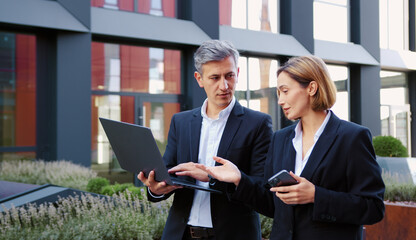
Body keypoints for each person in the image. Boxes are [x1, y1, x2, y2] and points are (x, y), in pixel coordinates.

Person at [197, 55, 386, 240]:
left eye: (285, 91)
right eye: (278, 93)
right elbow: (272, 204)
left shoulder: (352, 137)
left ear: (311, 88)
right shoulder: (281, 139)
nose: (279, 100)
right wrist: (239, 179)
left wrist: (315, 196)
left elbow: (373, 208)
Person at [137, 40, 273, 240]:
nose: (224, 86)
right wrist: (156, 189)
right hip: (180, 233)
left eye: (229, 76)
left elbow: (264, 195)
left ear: (237, 72)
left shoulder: (258, 124)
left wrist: (212, 177)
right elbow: (168, 172)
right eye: (215, 78)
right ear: (199, 79)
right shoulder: (181, 122)